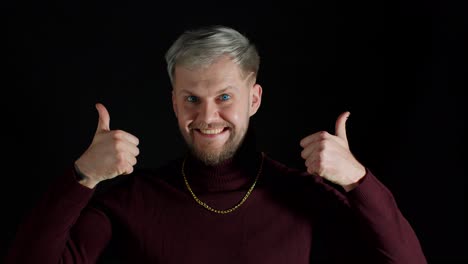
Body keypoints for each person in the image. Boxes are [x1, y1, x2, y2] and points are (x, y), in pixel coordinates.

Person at [5, 25, 427, 263]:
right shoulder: (133, 201)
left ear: (254, 99)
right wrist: (82, 177)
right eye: (192, 99)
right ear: (173, 102)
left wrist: (359, 181)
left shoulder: (303, 198)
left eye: (224, 97)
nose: (207, 117)